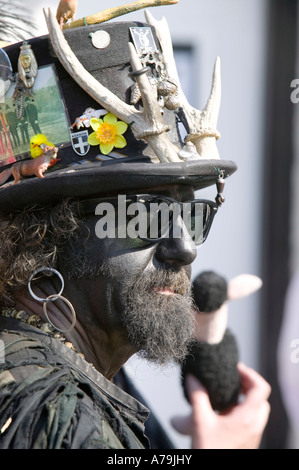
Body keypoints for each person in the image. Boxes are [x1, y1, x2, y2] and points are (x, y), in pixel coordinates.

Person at [0, 2, 270, 449]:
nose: (184, 248)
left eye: (191, 214)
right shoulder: (55, 417)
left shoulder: (76, 362)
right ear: (45, 233)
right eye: (146, 213)